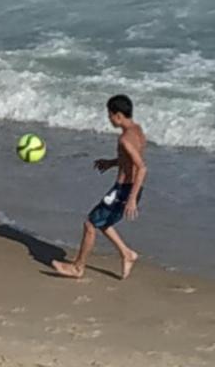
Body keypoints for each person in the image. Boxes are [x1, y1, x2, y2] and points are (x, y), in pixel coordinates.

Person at [52, 95, 147, 281]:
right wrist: (111, 163)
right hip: (124, 188)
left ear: (118, 115)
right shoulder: (138, 130)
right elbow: (130, 160)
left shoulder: (124, 139)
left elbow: (142, 167)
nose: (109, 119)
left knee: (90, 224)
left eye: (109, 115)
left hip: (124, 190)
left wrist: (132, 199)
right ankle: (127, 254)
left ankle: (78, 268)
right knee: (102, 222)